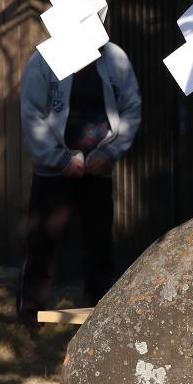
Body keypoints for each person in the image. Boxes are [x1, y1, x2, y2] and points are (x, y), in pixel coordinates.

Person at [16, 19, 140, 323]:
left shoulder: (114, 58)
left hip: (98, 167)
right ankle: (31, 317)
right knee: (41, 244)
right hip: (53, 171)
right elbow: (32, 112)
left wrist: (110, 151)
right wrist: (58, 159)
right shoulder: (45, 58)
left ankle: (100, 318)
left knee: (99, 245)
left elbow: (131, 107)